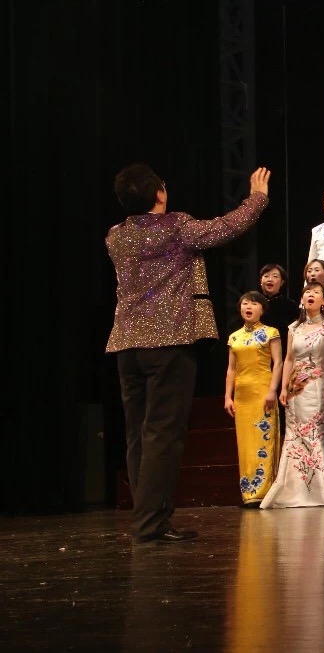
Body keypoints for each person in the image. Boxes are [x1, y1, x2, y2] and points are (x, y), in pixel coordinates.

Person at [106, 163, 269, 543]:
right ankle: (149, 523)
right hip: (169, 342)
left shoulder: (115, 236)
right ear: (159, 193)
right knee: (163, 433)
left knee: (138, 434)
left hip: (127, 344)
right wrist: (258, 198)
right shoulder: (175, 227)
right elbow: (225, 227)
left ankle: (150, 518)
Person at [261, 282, 324, 509]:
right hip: (296, 390)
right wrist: (283, 388)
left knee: (317, 435)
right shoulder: (293, 328)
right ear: (302, 299)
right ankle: (294, 489)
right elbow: (288, 359)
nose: (310, 295)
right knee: (295, 436)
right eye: (307, 292)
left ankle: (323, 491)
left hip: (319, 386)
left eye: (316, 292)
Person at [223, 290, 283, 507]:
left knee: (263, 440)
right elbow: (231, 369)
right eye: (245, 304)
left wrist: (272, 390)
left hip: (262, 392)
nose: (248, 307)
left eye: (253, 304)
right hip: (242, 396)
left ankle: (264, 492)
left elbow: (278, 363)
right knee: (246, 445)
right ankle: (248, 493)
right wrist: (228, 396)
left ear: (262, 309)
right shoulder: (234, 337)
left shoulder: (271, 332)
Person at [258, 262, 295, 341]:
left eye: (275, 276)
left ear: (282, 282)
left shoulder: (290, 305)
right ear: (261, 280)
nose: (270, 279)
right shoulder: (254, 302)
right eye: (266, 276)